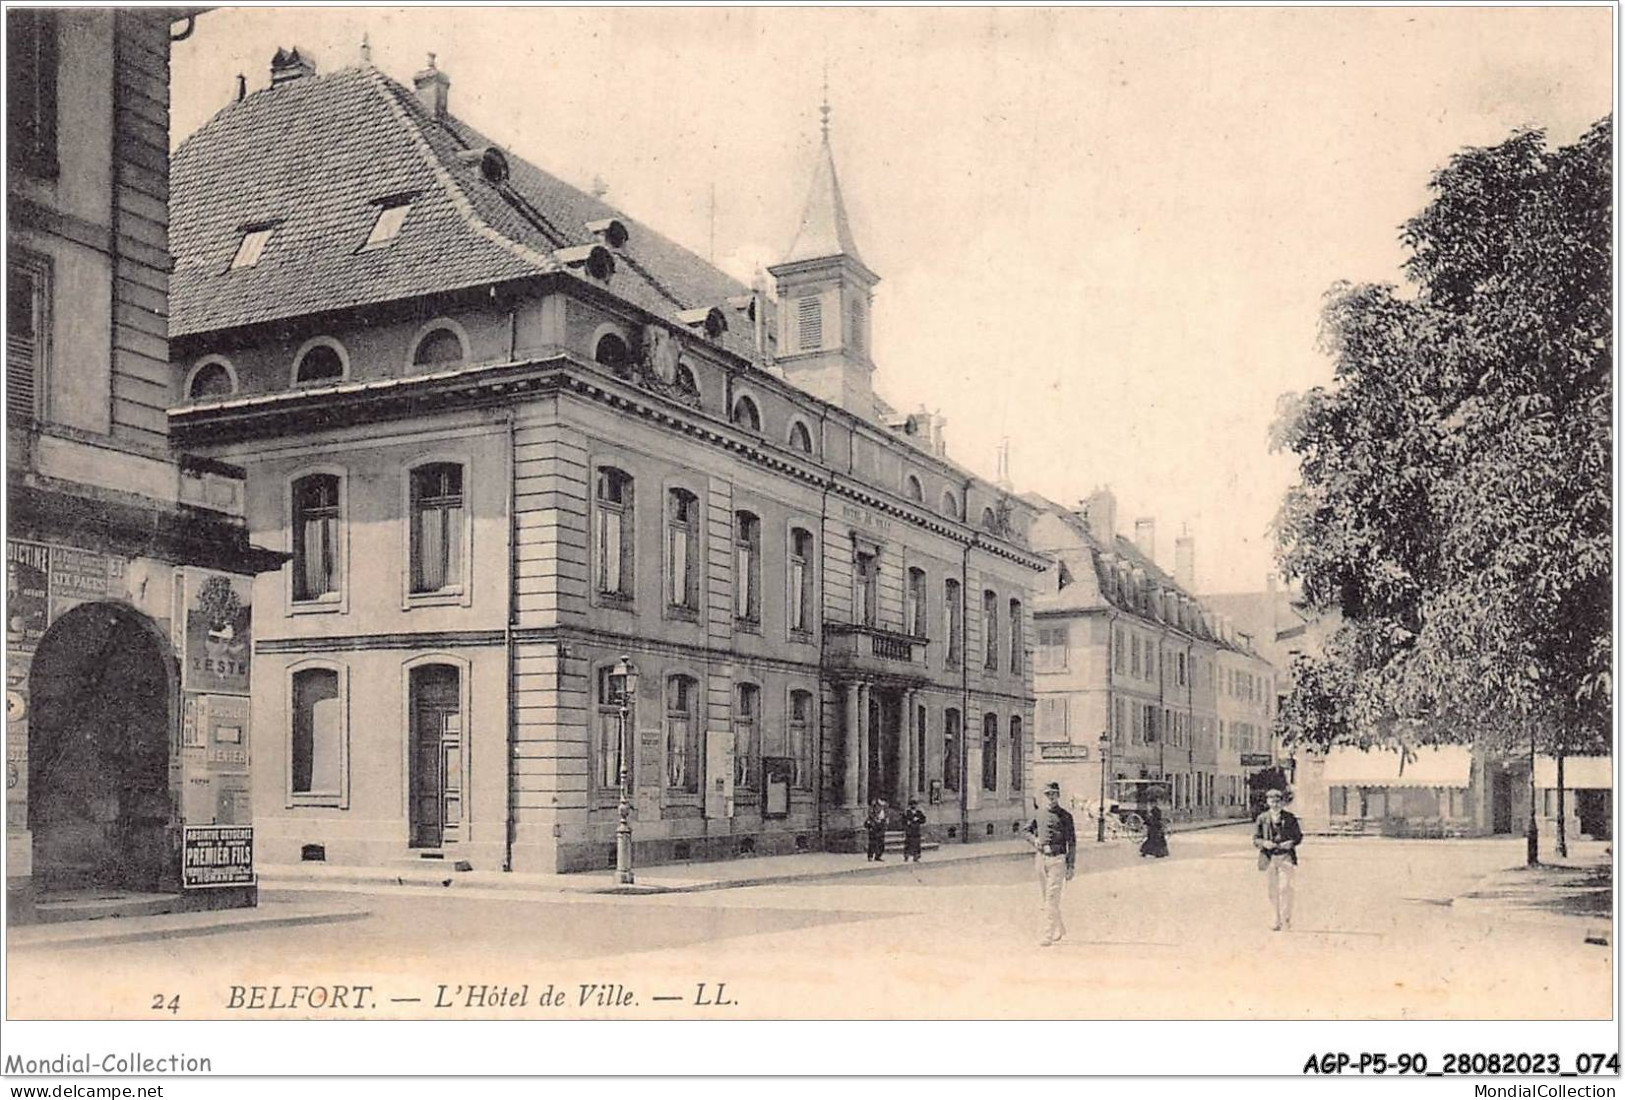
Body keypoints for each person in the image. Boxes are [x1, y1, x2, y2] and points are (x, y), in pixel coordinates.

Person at [1025, 781, 1077, 946]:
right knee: (1046, 897)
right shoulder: (1038, 814)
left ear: (1058, 795)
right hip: (1041, 859)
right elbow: (1026, 831)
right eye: (1048, 794)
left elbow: (1072, 843)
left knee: (1052, 898)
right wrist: (1035, 840)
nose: (1051, 797)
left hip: (1058, 860)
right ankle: (1059, 928)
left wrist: (1070, 866)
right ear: (1044, 796)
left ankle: (1047, 934)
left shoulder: (1066, 816)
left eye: (1053, 794)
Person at [1253, 788, 1303, 931]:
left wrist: (1291, 843)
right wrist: (1264, 843)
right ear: (1268, 802)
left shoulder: (1290, 818)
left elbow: (1298, 836)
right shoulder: (1262, 818)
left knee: (1285, 887)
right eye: (1272, 802)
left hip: (1286, 856)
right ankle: (1275, 919)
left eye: (1277, 802)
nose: (1275, 805)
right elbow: (1255, 839)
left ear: (1282, 803)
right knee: (1272, 890)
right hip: (1269, 858)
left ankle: (1286, 918)